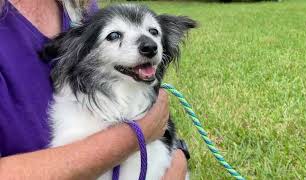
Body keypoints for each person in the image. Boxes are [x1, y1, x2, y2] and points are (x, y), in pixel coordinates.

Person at [0, 0, 188, 179]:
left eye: (153, 31)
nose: (149, 44)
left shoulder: (78, 7)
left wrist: (177, 156)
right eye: (114, 36)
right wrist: (137, 135)